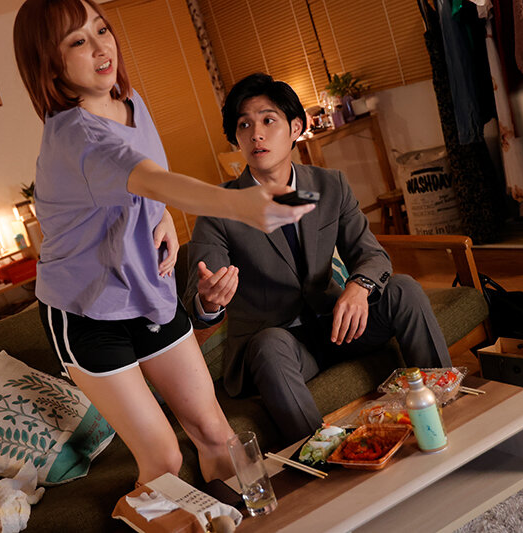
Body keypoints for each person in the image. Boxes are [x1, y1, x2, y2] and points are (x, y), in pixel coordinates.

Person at [12, 1, 314, 486]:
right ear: (49, 64)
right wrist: (239, 203)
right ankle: (142, 516)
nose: (101, 47)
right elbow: (150, 178)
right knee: (164, 459)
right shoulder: (77, 139)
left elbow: (143, 183)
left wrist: (163, 216)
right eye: (78, 41)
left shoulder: (131, 103)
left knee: (218, 435)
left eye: (102, 30)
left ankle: (267, 517)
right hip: (88, 313)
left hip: (147, 289)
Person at [184, 73, 453, 443]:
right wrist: (210, 301)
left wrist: (358, 287)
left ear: (295, 127)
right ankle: (323, 456)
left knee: (403, 289)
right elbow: (198, 298)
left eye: (268, 120)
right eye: (244, 125)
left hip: (338, 325)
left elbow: (371, 255)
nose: (256, 134)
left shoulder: (329, 185)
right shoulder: (219, 208)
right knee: (269, 344)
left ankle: (444, 404)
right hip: (281, 346)